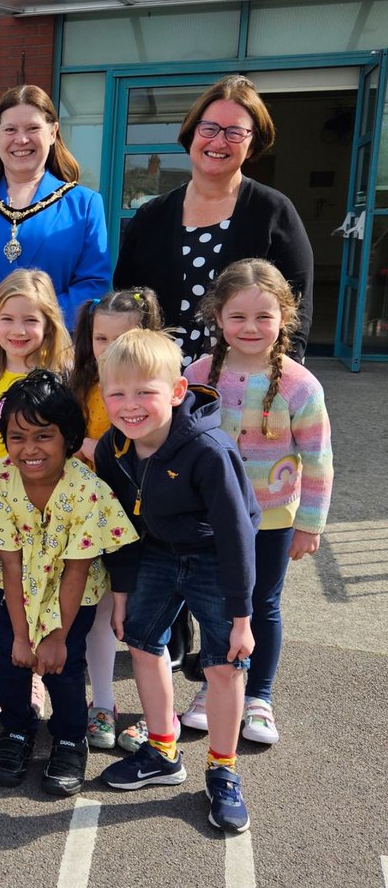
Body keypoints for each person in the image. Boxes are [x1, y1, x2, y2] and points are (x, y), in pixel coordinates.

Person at [95, 329, 261, 835]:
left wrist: (241, 617)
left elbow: (237, 534)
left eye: (144, 391)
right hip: (155, 553)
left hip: (213, 556)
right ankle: (163, 752)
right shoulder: (113, 448)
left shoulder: (208, 450)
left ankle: (224, 769)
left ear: (176, 390)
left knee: (224, 664)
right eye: (116, 394)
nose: (130, 405)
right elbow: (118, 524)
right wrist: (121, 592)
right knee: (143, 644)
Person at [183, 259, 333, 744]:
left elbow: (318, 460)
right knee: (213, 604)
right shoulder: (199, 373)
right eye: (238, 317)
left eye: (263, 317)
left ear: (285, 318)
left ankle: (259, 698)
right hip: (208, 517)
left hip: (272, 519)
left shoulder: (300, 385)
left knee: (262, 604)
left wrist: (309, 524)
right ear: (218, 318)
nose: (250, 328)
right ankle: (214, 686)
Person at [0, 371, 138, 795]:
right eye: (17, 436)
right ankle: (16, 730)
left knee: (64, 669)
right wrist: (23, 637)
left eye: (43, 436)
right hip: (10, 591)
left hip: (71, 593)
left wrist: (56, 637)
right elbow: (9, 567)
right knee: (11, 662)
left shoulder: (88, 490)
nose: (29, 449)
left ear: (68, 438)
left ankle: (70, 738)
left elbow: (78, 570)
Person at [113, 75, 313, 366]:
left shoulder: (273, 211)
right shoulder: (151, 216)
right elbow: (126, 299)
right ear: (191, 133)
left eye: (235, 132)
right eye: (209, 128)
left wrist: (281, 376)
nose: (218, 141)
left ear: (253, 144)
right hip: (157, 381)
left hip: (243, 384)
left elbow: (299, 306)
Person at [67, 289, 171, 751]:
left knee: (147, 626)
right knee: (103, 615)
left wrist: (89, 448)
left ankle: (157, 716)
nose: (109, 348)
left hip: (147, 523)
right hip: (92, 521)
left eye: (122, 337)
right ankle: (103, 704)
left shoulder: (156, 392)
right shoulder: (82, 386)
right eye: (100, 337)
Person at [0, 85, 109, 363]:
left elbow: (93, 284)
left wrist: (36, 330)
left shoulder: (85, 204)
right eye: (10, 130)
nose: (22, 139)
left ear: (52, 133)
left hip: (52, 362)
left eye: (33, 128)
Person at [0, 268, 71, 675]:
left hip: (45, 503)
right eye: (7, 319)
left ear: (49, 324)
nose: (18, 330)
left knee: (35, 589)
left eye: (30, 320)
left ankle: (32, 677)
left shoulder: (63, 380)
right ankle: (1, 666)